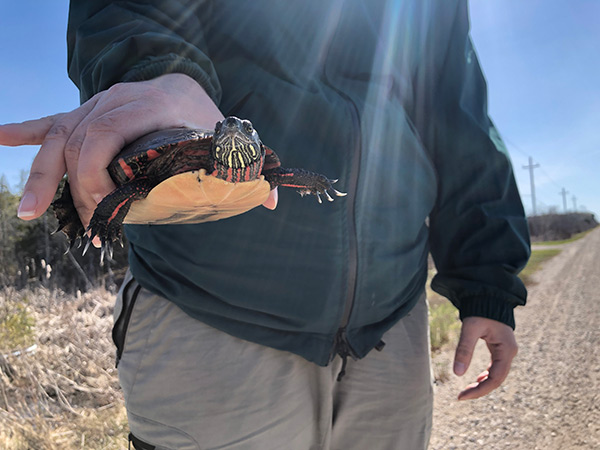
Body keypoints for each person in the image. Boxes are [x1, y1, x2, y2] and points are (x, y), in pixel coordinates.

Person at [0, 0, 530, 448]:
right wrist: (158, 71)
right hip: (208, 305)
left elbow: (461, 117)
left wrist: (487, 280)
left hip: (392, 319)